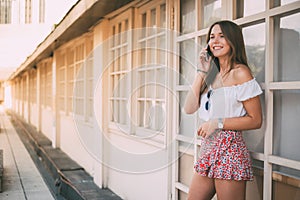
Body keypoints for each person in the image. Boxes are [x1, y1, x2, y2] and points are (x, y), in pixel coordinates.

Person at [184, 20, 263, 200]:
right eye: (212, 37)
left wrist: (217, 123)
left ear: (232, 40)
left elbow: (256, 120)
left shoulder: (241, 73)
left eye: (222, 36)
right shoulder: (211, 73)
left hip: (230, 148)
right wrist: (201, 72)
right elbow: (189, 108)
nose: (215, 41)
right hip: (209, 147)